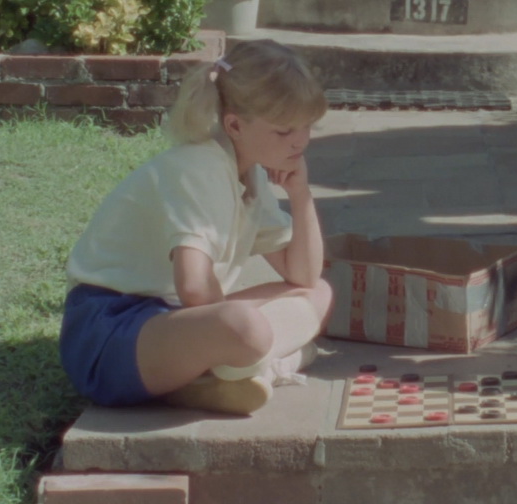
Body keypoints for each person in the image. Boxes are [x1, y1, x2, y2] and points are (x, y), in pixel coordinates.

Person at [60, 40, 332, 416]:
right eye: (284, 131)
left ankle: (226, 373)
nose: (299, 141)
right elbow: (194, 287)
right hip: (110, 333)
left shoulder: (249, 171)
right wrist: (234, 335)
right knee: (245, 328)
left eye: (306, 126)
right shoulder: (199, 169)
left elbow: (303, 275)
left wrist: (301, 195)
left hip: (172, 322)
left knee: (318, 292)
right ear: (234, 125)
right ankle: (258, 364)